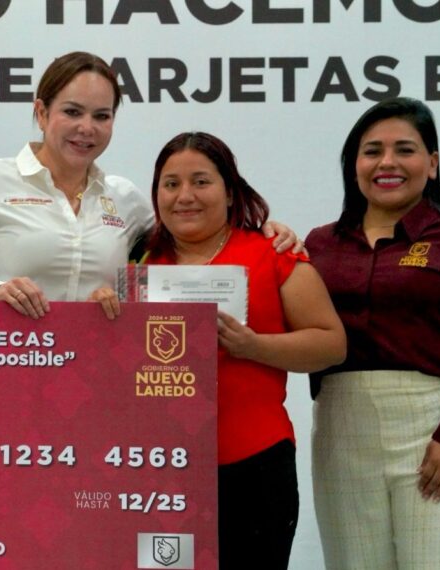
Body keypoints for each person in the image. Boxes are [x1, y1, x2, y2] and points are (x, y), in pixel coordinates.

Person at [0, 52, 299, 317]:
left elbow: (190, 231)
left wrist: (259, 227)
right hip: (8, 367)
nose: (87, 128)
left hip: (96, 380)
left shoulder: (125, 198)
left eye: (101, 116)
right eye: (72, 112)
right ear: (41, 112)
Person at [306, 97, 440, 570]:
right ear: (353, 164)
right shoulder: (318, 244)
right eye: (372, 150)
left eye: (405, 149)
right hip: (341, 429)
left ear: (432, 163)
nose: (388, 163)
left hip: (439, 430)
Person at [141, 132, 346, 569]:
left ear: (231, 192)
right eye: (170, 184)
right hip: (155, 468)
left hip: (254, 463)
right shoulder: (136, 263)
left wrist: (254, 346)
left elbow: (331, 344)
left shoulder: (273, 253)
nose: (185, 196)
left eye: (201, 181)